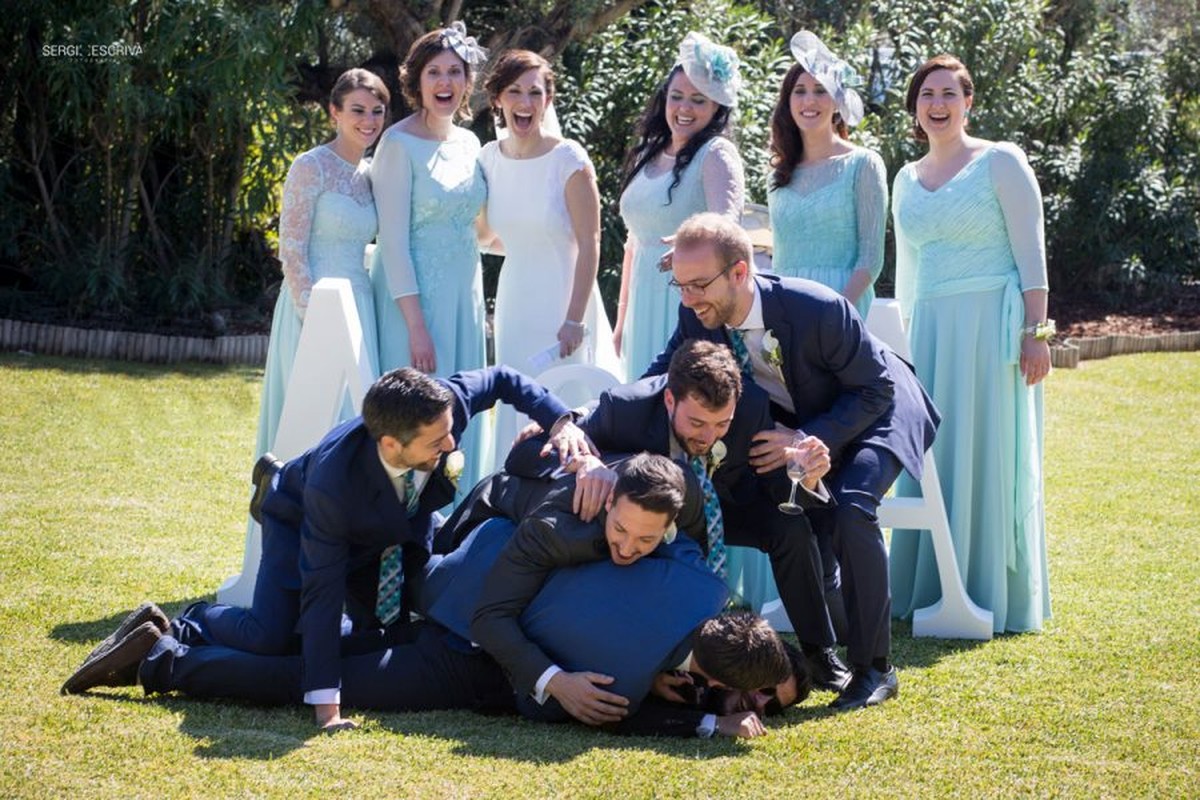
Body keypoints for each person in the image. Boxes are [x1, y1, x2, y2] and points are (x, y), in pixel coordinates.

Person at [59, 367, 591, 731]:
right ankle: (194, 622)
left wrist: (562, 420)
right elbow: (321, 589)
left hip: (396, 529)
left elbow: (504, 379)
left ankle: (183, 636)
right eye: (437, 443)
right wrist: (326, 703)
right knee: (272, 636)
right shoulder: (334, 485)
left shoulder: (439, 408)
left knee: (371, 632)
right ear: (390, 444)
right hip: (301, 520)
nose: (453, 446)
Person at [646, 212, 941, 710]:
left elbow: (876, 388)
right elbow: (662, 376)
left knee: (851, 508)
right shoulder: (696, 315)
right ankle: (824, 652)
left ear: (739, 273)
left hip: (878, 409)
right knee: (792, 515)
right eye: (680, 285)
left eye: (698, 284)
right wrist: (587, 415)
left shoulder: (817, 308)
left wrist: (806, 437)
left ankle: (876, 671)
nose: (688, 297)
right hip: (808, 419)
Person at [505, 340, 847, 693]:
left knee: (789, 526)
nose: (709, 436)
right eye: (697, 423)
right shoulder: (626, 408)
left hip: (723, 509)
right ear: (670, 399)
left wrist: (807, 478)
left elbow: (774, 487)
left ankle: (819, 651)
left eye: (721, 425)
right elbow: (526, 456)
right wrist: (586, 459)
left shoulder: (752, 408)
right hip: (647, 526)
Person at [888, 55, 1052, 633]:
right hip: (929, 332)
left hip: (991, 328)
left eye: (948, 93)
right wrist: (903, 341)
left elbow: (1031, 252)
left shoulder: (1001, 160)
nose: (937, 103)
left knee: (985, 446)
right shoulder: (905, 177)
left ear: (968, 101)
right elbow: (907, 269)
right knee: (933, 449)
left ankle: (987, 587)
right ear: (914, 106)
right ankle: (928, 582)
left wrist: (1037, 332)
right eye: (927, 94)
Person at [478, 49, 622, 459]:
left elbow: (590, 242)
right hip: (515, 300)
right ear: (498, 100)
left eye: (535, 92)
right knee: (514, 394)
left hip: (563, 303)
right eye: (514, 91)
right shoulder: (489, 158)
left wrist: (574, 318)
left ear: (548, 100)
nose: (525, 102)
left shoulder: (568, 159)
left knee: (567, 399)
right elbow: (487, 235)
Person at [369, 23, 492, 496]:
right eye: (434, 72)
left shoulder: (470, 144)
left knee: (461, 409)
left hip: (465, 297)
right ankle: (403, 523)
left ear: (468, 82)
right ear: (416, 81)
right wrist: (416, 325)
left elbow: (481, 228)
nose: (445, 82)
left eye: (455, 72)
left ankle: (456, 517)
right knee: (416, 418)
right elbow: (393, 242)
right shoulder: (397, 145)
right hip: (413, 304)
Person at [255, 68, 389, 460]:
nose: (368, 121)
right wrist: (313, 314)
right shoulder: (310, 166)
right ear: (335, 112)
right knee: (309, 419)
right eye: (358, 110)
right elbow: (292, 248)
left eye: (377, 111)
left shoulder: (372, 175)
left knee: (353, 418)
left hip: (360, 305)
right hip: (310, 306)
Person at [615, 31, 745, 378]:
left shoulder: (716, 153)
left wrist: (691, 247)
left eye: (699, 100)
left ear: (717, 106)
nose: (685, 108)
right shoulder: (648, 152)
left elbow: (727, 228)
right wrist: (622, 316)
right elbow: (634, 241)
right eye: (677, 97)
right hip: (643, 299)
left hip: (690, 301)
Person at [767, 30, 885, 323]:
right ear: (788, 101)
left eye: (821, 90)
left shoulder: (863, 164)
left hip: (842, 313)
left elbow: (871, 258)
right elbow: (779, 257)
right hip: (786, 312)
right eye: (800, 91)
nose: (809, 101)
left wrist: (838, 311)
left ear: (837, 101)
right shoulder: (777, 174)